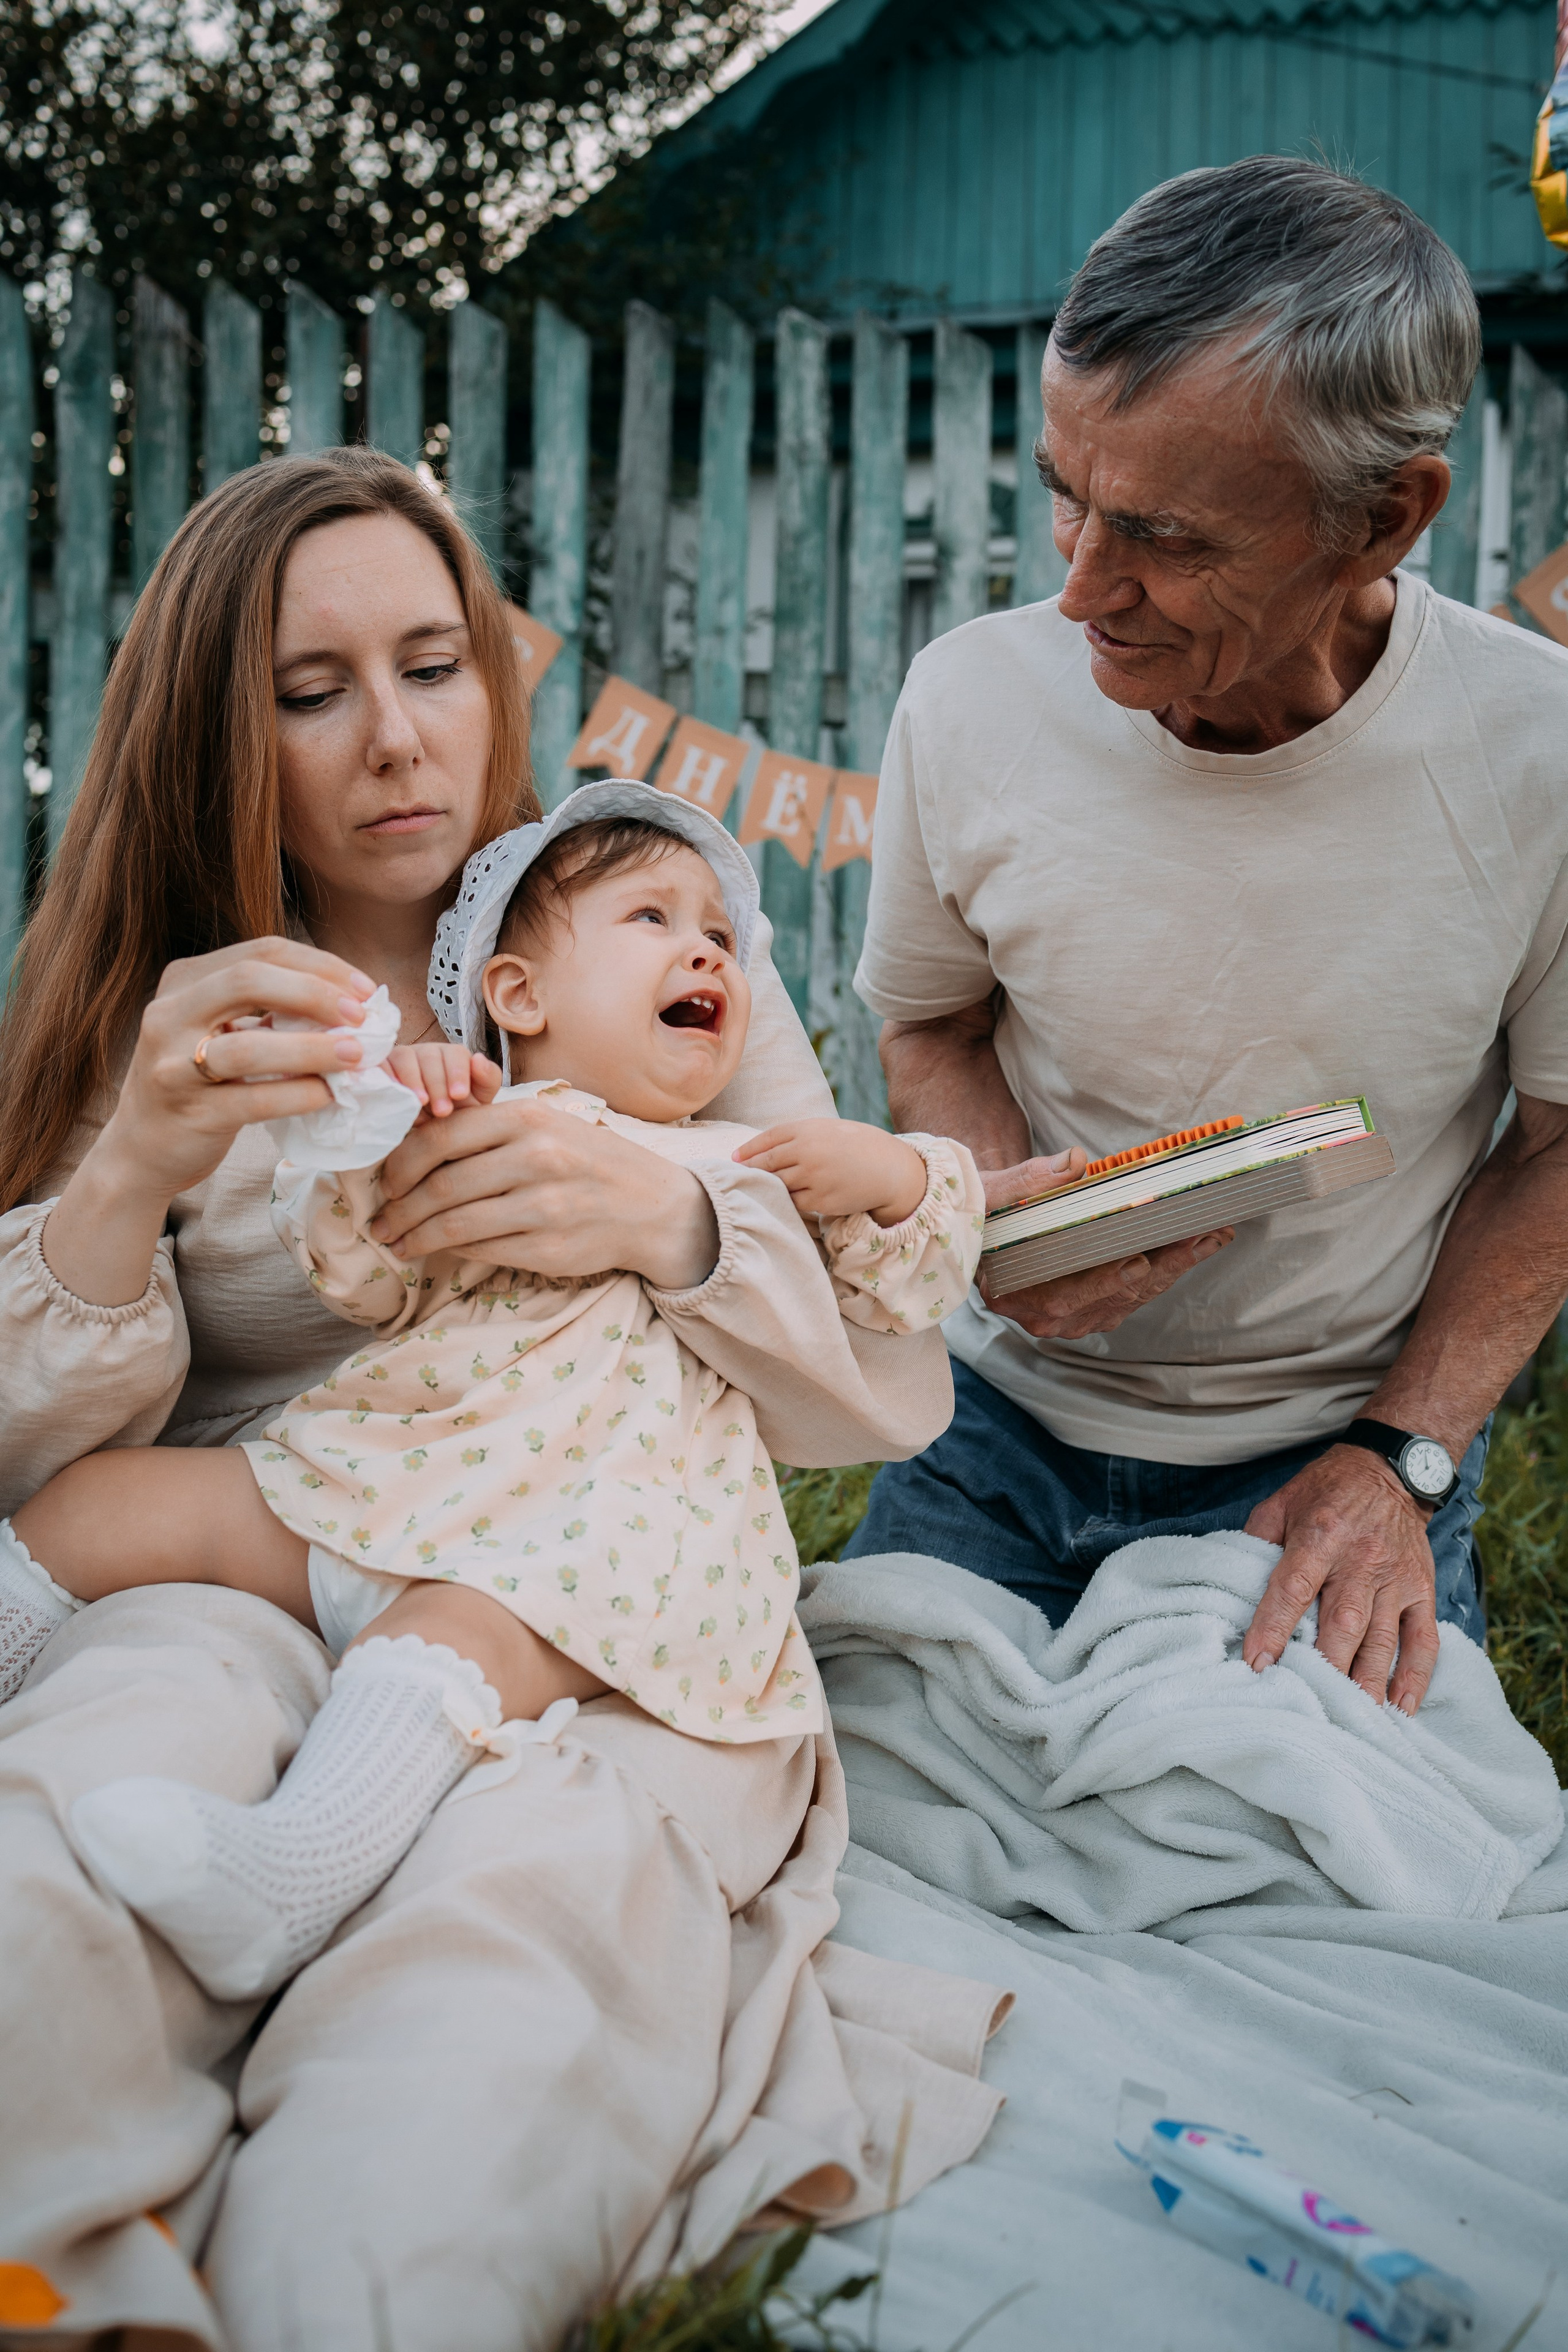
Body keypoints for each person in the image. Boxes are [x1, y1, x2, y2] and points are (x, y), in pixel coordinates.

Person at [0, 450, 982, 2351]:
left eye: (437, 666)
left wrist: (679, 1221)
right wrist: (128, 1173)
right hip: (261, 1548)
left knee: (502, 1955)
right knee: (73, 1823)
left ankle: (340, 2304)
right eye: (312, 692)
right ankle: (53, 2277)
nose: (396, 742)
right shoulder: (174, 992)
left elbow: (877, 1391)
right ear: (221, 731)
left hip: (601, 1609)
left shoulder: (648, 918)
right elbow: (47, 1465)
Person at [2, 787, 980, 2002]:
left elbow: (908, 1283)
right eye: (652, 918)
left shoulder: (740, 1165)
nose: (703, 948)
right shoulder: (467, 1124)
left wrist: (888, 1172)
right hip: (382, 1482)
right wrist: (382, 1126)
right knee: (111, 1499)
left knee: (443, 1636)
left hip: (573, 1556)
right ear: (518, 996)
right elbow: (353, 1271)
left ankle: (283, 1878)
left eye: (719, 938)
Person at [847, 155, 1568, 1719]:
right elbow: (932, 1026)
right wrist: (994, 1215)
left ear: (1383, 517)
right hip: (991, 1431)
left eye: (1163, 539)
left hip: (1333, 1453)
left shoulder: (1539, 752)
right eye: (1063, 495)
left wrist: (1400, 1456)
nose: (1080, 588)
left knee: (1347, 1895)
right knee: (838, 1840)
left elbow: (1559, 1143)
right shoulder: (968, 699)